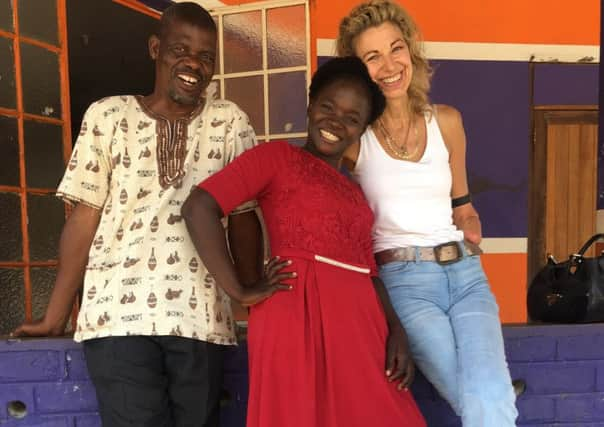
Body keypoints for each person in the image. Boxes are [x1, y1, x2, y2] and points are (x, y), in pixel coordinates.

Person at [12, 3, 262, 426]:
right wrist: (56, 313)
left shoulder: (229, 123)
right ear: (154, 48)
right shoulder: (108, 116)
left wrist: (251, 296)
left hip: (200, 318)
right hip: (116, 317)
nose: (193, 64)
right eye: (180, 49)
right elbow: (84, 218)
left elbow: (243, 216)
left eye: (205, 56)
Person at [182, 56, 427, 427]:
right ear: (310, 106)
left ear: (361, 130)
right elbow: (199, 206)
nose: (335, 122)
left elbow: (369, 270)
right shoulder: (276, 158)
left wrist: (396, 330)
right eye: (328, 107)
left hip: (361, 324)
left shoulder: (356, 193)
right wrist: (239, 291)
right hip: (295, 315)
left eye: (351, 118)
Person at [336, 2, 518, 426]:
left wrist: (472, 228)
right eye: (372, 57)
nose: (389, 65)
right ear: (358, 70)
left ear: (411, 52)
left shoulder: (448, 123)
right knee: (483, 398)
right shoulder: (354, 142)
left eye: (395, 49)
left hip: (466, 274)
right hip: (406, 282)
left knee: (486, 396)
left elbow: (463, 205)